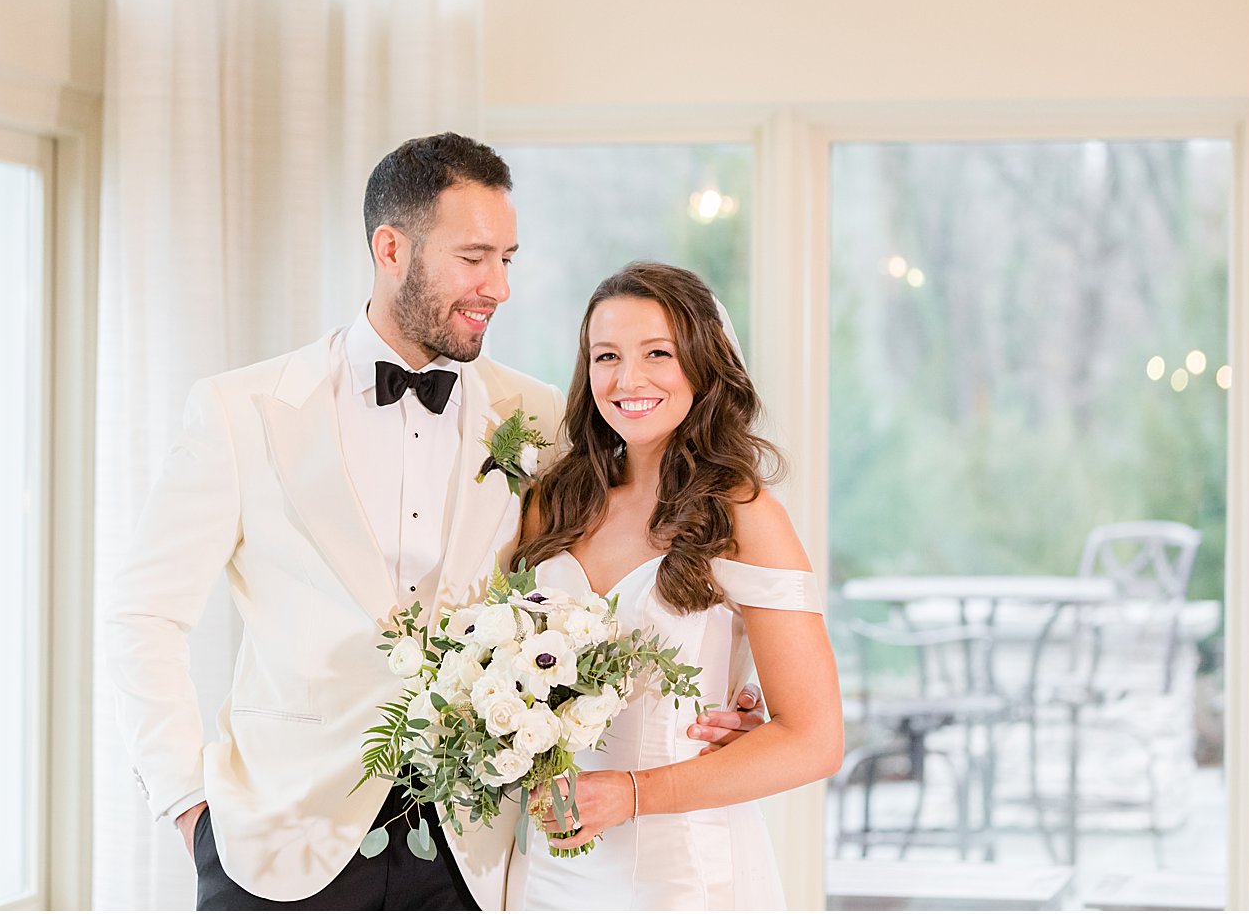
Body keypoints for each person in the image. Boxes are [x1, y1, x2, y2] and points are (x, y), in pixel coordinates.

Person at [106, 135, 764, 911]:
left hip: (472, 852)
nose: (499, 287)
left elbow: (620, 563)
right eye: (474, 257)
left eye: (509, 259)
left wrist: (733, 679)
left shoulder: (541, 416)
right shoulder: (241, 410)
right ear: (391, 248)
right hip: (277, 843)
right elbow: (142, 613)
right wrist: (188, 803)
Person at [506, 261, 844, 911]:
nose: (628, 379)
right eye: (607, 356)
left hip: (682, 871)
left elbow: (815, 737)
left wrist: (632, 792)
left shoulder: (742, 513)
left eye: (656, 353)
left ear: (702, 363)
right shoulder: (557, 501)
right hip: (552, 868)